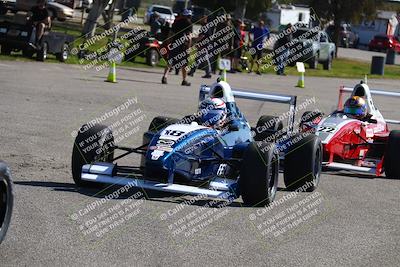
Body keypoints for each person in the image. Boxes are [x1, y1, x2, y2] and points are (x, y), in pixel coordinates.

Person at [161, 9, 193, 86]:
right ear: (189, 16)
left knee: (170, 61)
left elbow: (171, 33)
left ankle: (165, 77)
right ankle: (184, 80)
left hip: (175, 43)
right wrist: (189, 46)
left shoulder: (176, 22)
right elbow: (189, 36)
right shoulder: (189, 24)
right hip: (183, 45)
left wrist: (169, 42)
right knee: (184, 63)